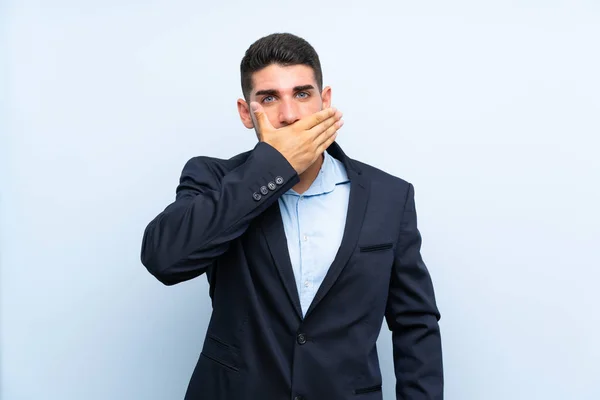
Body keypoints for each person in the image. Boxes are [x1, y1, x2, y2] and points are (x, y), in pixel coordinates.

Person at [140, 32, 443, 400]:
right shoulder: (214, 181)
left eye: (302, 94)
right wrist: (274, 167)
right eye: (269, 98)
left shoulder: (388, 196)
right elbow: (165, 259)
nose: (288, 115)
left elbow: (416, 323)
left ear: (325, 101)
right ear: (245, 113)